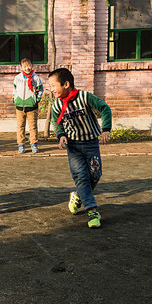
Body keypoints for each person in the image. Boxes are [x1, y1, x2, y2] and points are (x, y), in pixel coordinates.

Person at [48, 68, 112, 228]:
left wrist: (106, 129)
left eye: (53, 85)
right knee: (81, 177)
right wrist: (61, 136)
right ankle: (92, 211)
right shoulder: (56, 106)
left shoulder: (84, 97)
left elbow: (104, 108)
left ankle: (78, 195)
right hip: (73, 147)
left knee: (95, 175)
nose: (51, 89)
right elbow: (57, 124)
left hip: (91, 143)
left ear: (66, 84)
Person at [13, 58, 44, 153]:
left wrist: (37, 100)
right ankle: (21, 144)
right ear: (21, 67)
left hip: (32, 107)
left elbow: (40, 90)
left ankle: (33, 143)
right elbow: (14, 89)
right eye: (25, 66)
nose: (27, 68)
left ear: (32, 66)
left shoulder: (36, 78)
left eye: (29, 66)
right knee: (20, 126)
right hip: (19, 107)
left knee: (33, 126)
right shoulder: (18, 78)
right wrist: (15, 98)